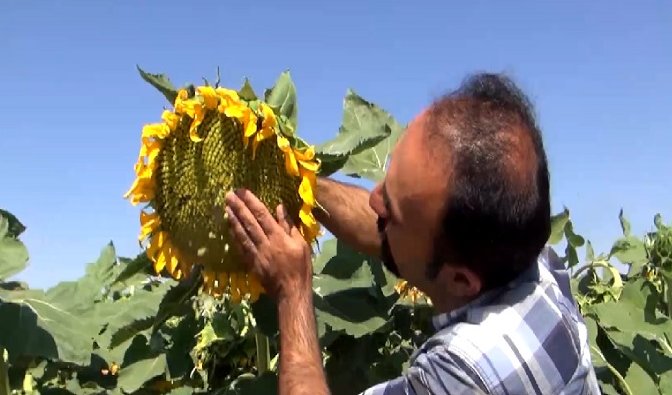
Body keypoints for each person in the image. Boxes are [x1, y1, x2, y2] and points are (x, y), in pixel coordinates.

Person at [224, 72, 601, 395]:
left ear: (458, 279)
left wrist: (292, 291)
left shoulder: (467, 373)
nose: (373, 201)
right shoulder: (535, 266)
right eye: (386, 185)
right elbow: (403, 242)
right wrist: (297, 182)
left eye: (392, 212)